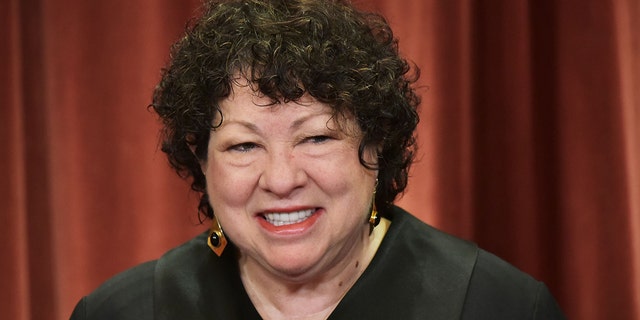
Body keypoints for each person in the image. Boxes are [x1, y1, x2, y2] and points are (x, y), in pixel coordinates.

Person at [70, 0, 565, 319]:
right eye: (244, 145)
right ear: (201, 161)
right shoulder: (124, 312)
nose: (281, 179)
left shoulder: (501, 307)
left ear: (375, 145)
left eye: (316, 139)